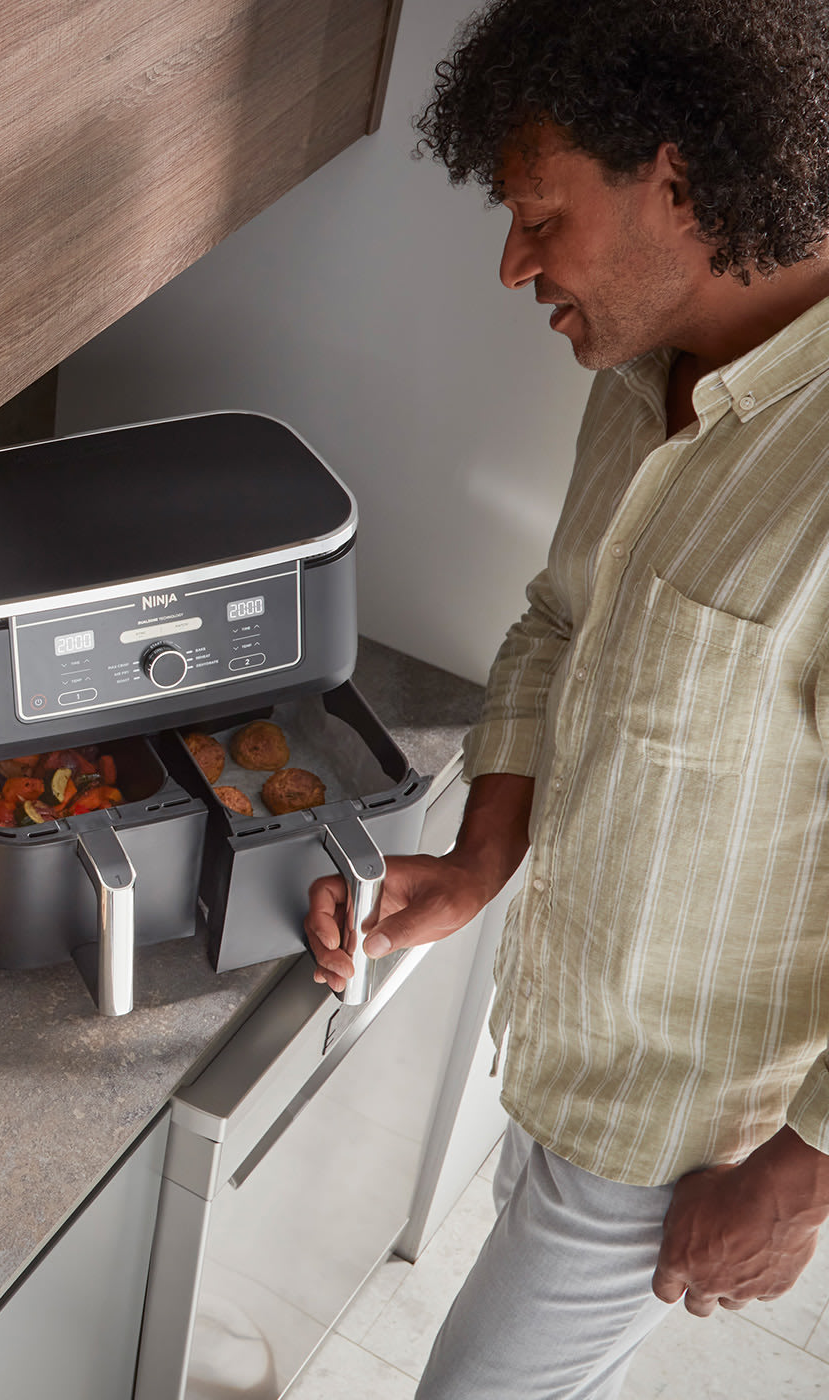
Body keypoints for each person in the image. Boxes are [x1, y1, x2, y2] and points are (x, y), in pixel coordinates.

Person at [304, 2, 829, 1395]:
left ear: (676, 178)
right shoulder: (645, 371)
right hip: (565, 1037)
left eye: (542, 215)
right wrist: (482, 859)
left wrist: (805, 1170)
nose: (511, 263)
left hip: (686, 1133)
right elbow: (560, 621)